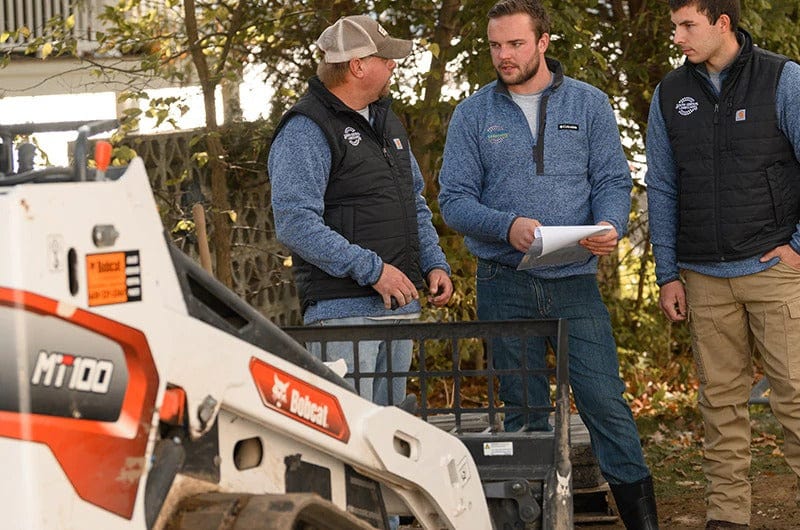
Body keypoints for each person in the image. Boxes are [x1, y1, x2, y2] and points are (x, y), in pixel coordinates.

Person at [437, 1, 658, 528]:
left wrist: (608, 223)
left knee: (605, 402)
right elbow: (454, 200)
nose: (503, 55)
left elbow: (611, 179)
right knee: (524, 415)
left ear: (543, 42)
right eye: (495, 45)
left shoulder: (588, 104)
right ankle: (535, 521)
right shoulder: (473, 113)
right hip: (503, 282)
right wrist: (506, 224)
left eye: (515, 43)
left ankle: (644, 523)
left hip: (575, 282)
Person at [645, 0, 800, 527]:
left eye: (687, 25)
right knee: (721, 408)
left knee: (796, 402)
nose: (678, 37)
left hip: (775, 271)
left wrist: (798, 245)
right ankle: (728, 516)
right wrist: (668, 272)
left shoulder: (783, 79)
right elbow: (662, 186)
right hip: (703, 276)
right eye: (674, 27)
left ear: (722, 23)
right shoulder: (670, 94)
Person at [268, 15, 453, 409]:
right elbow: (295, 223)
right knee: (350, 442)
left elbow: (413, 201)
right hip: (344, 318)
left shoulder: (387, 121)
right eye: (385, 58)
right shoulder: (305, 129)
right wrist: (373, 271)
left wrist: (435, 263)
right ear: (357, 66)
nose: (393, 65)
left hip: (399, 311)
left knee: (393, 445)